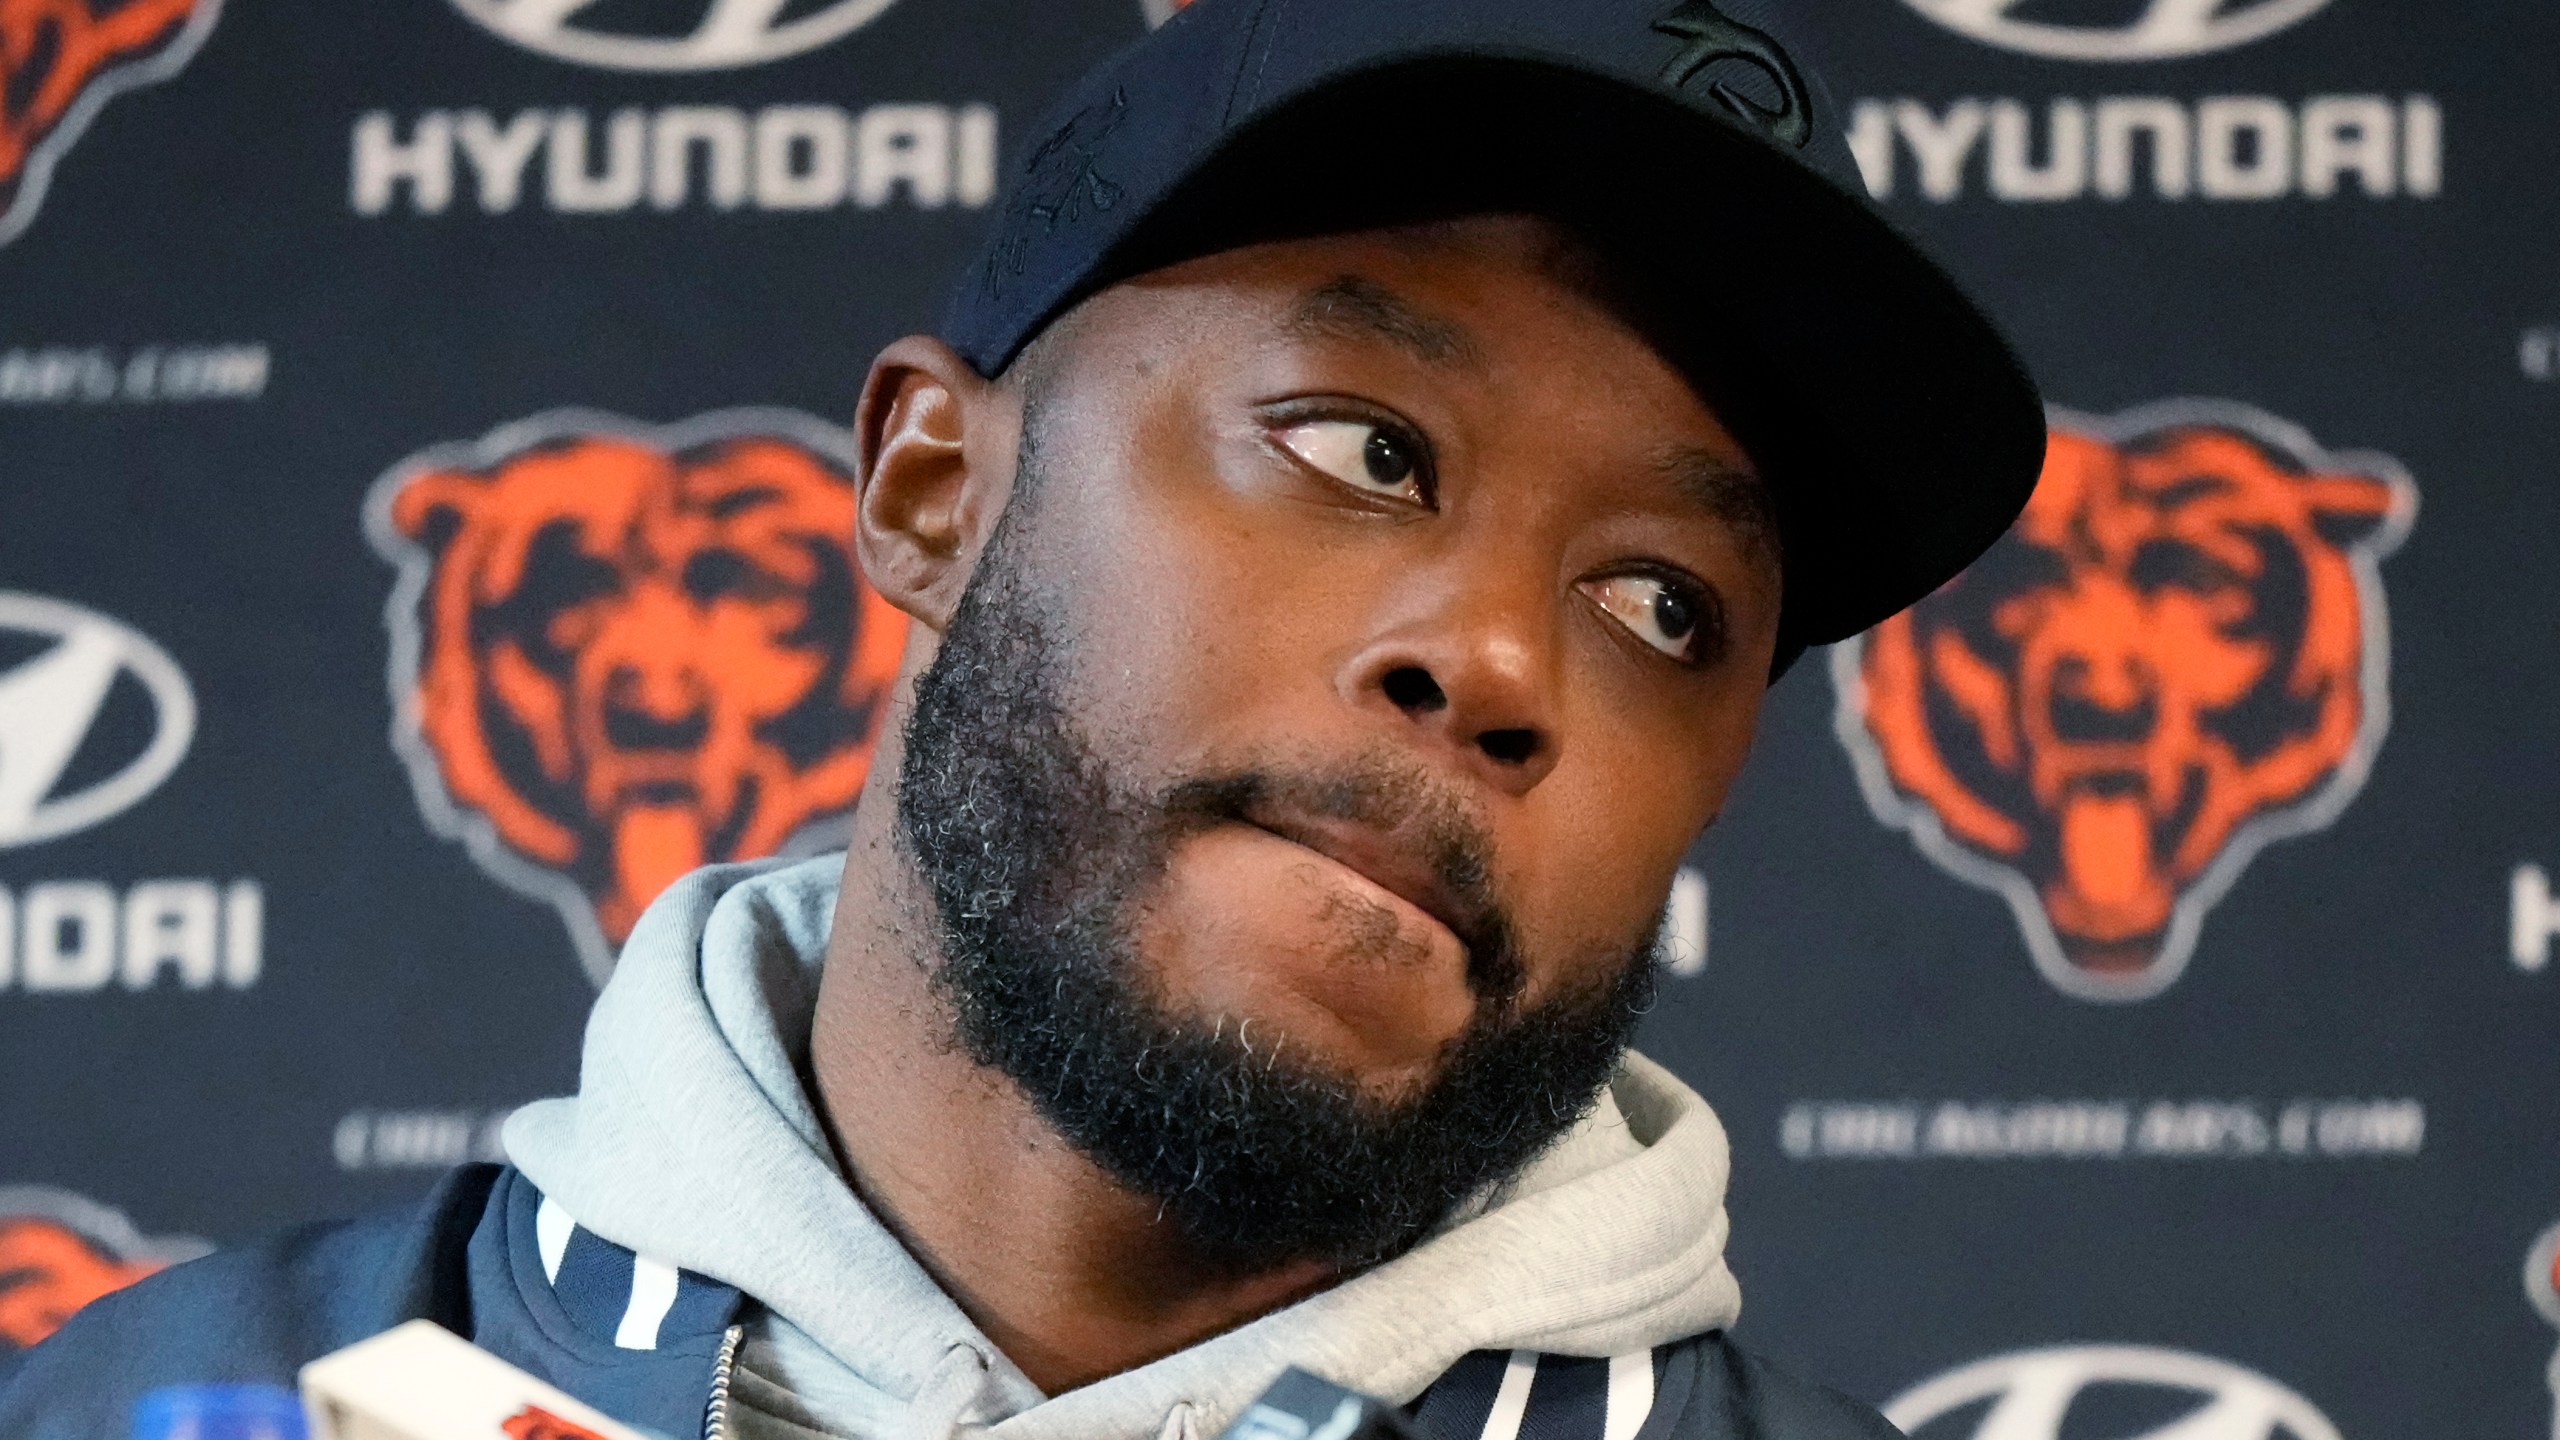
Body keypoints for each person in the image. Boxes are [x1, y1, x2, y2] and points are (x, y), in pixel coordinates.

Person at [0, 0, 2043, 1436]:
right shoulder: (153, 1419)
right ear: (926, 489)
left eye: (1661, 605)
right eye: (1357, 445)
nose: (1500, 665)